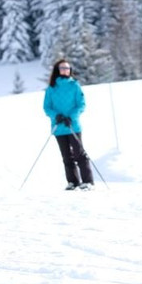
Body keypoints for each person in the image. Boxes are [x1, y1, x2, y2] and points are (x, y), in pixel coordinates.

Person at [43, 59, 94, 190]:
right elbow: (47, 107)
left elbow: (81, 104)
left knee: (79, 154)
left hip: (73, 126)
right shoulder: (51, 88)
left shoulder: (75, 85)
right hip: (59, 127)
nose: (65, 70)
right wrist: (56, 116)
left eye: (67, 68)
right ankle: (73, 182)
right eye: (62, 68)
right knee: (66, 156)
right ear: (58, 70)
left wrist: (71, 117)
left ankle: (88, 182)